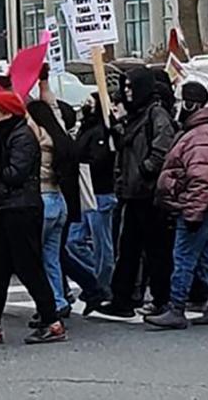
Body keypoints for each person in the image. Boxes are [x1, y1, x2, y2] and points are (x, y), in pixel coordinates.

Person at [0, 91, 66, 346]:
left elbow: (15, 174)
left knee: (29, 267)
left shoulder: (22, 137)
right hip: (4, 208)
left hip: (21, 209)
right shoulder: (1, 135)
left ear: (7, 113)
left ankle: (52, 322)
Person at [146, 83, 208, 329]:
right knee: (204, 256)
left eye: (180, 100)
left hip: (195, 206)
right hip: (199, 205)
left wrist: (193, 212)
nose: (177, 106)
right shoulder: (201, 130)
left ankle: (177, 307)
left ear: (190, 103)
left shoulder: (201, 134)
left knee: (183, 256)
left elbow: (201, 177)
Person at [98, 67, 176, 319]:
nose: (127, 92)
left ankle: (161, 299)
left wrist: (145, 170)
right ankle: (122, 298)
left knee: (156, 250)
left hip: (149, 194)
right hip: (133, 193)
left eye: (131, 87)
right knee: (129, 249)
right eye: (126, 87)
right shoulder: (135, 116)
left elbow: (163, 148)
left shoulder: (156, 114)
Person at [27, 92, 81, 320]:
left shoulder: (36, 135)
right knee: (52, 257)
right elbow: (54, 110)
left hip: (42, 199)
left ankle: (47, 306)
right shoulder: (59, 135)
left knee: (36, 259)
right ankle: (59, 300)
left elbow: (22, 112)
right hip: (59, 199)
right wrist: (43, 84)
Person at [69, 94, 117, 298]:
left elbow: (100, 160)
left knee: (102, 243)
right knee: (73, 241)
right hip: (86, 192)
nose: (84, 105)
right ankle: (94, 276)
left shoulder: (102, 132)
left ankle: (105, 281)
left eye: (89, 102)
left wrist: (80, 164)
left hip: (100, 192)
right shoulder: (86, 129)